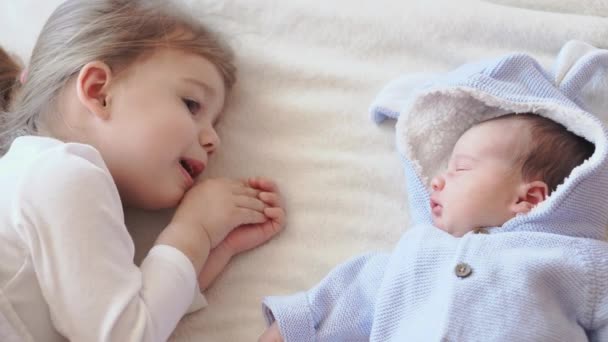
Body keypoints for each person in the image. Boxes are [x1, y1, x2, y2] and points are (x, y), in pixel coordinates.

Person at [259, 48, 608, 341]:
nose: (438, 181)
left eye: (461, 168)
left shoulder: (577, 261)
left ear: (527, 198)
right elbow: (323, 311)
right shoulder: (411, 257)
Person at [0, 1, 285, 341]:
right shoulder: (63, 175)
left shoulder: (35, 174)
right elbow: (126, 335)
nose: (213, 140)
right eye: (192, 104)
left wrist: (210, 253)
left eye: (216, 123)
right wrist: (193, 231)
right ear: (98, 92)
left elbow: (129, 312)